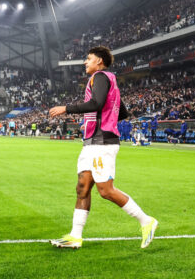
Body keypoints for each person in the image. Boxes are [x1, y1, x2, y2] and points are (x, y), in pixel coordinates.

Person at [48, 46, 158, 250]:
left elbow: (97, 103)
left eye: (88, 59)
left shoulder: (100, 76)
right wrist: (93, 121)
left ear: (99, 61)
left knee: (105, 191)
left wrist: (66, 108)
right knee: (82, 187)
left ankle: (146, 221)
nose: (85, 62)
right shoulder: (110, 81)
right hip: (93, 140)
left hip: (102, 143)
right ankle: (75, 236)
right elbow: (121, 112)